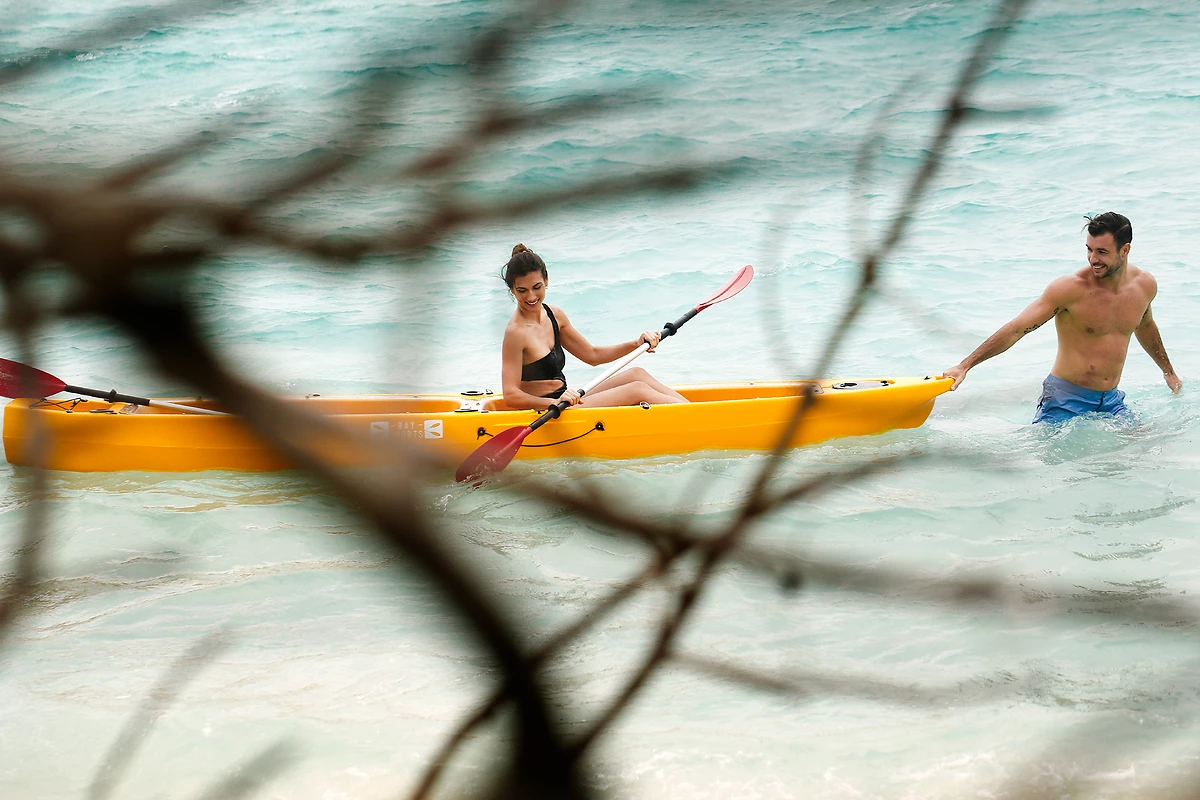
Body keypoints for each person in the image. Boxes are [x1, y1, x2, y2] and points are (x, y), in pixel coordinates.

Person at [944, 212, 1181, 423]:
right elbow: (1018, 328)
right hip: (1065, 400)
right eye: (1089, 249)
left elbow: (1145, 325)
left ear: (1125, 250)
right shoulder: (1070, 289)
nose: (1093, 259)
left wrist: (1168, 372)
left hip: (1111, 401)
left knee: (1145, 451)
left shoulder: (1144, 286)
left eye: (1102, 252)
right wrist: (965, 365)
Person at [500, 244, 689, 410]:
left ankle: (696, 411)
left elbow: (592, 355)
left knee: (637, 374)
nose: (531, 296)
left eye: (537, 287)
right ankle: (700, 419)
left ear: (547, 281)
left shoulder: (554, 315)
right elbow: (510, 395)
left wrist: (636, 343)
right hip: (548, 411)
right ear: (512, 290)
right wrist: (553, 403)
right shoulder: (516, 332)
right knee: (637, 390)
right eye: (522, 291)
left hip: (566, 401)